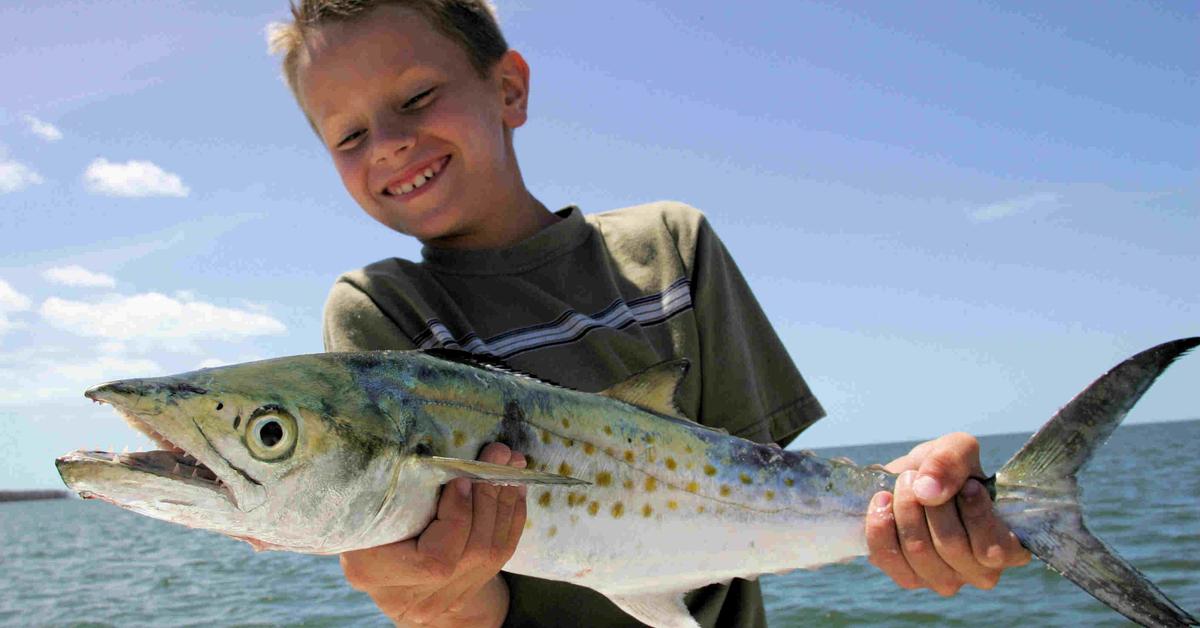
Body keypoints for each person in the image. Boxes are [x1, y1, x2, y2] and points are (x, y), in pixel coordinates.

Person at [267, 2, 1030, 626]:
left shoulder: (671, 247)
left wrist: (916, 502)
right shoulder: (379, 312)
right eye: (349, 134)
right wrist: (430, 599)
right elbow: (466, 605)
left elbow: (757, 487)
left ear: (509, 89)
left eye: (416, 98)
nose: (391, 145)